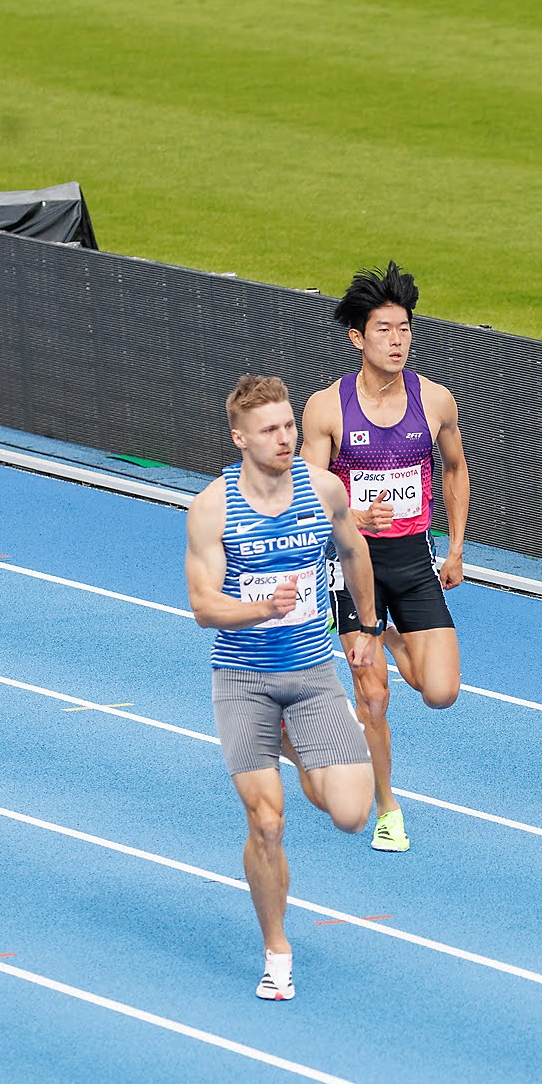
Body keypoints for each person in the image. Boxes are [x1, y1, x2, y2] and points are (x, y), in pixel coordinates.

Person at [186, 374, 382, 1001]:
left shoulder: (323, 490)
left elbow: (354, 552)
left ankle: (293, 745)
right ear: (239, 438)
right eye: (268, 429)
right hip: (242, 681)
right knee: (267, 820)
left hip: (311, 676)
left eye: (289, 425)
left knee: (351, 814)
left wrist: (367, 627)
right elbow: (203, 606)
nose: (283, 437)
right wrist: (262, 609)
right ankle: (277, 949)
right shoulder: (213, 508)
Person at [300, 262, 468, 854]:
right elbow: (307, 491)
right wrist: (349, 514)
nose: (397, 341)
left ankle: (393, 638)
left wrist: (456, 546)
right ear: (357, 338)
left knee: (440, 691)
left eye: (404, 329)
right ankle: (388, 807)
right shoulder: (326, 408)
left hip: (414, 560)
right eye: (383, 330)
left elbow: (455, 469)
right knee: (373, 698)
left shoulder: (435, 400)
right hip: (352, 567)